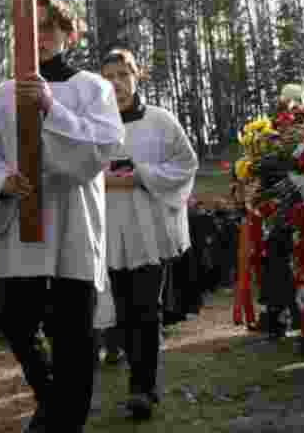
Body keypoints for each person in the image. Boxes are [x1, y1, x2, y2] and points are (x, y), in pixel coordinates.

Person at [0, 0, 125, 433]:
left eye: (45, 27)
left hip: (73, 224)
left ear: (67, 33)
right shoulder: (0, 96)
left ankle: (65, 422)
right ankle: (51, 399)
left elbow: (100, 147)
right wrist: (2, 180)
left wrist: (51, 109)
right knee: (17, 323)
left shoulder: (91, 87)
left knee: (74, 337)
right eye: (26, 28)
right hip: (21, 226)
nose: (35, 37)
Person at [100, 48, 198, 420]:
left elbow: (186, 164)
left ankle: (143, 389)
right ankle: (137, 381)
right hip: (110, 231)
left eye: (122, 75)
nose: (117, 84)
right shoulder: (96, 125)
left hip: (148, 230)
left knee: (145, 309)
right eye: (108, 78)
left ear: (136, 75)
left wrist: (143, 175)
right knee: (124, 313)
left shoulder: (160, 120)